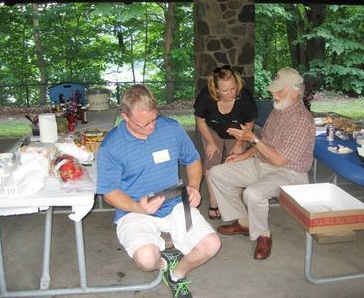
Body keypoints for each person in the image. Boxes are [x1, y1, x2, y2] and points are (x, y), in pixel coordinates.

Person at [96, 84, 221, 298]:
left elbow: (192, 160)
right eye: (143, 123)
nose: (151, 127)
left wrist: (193, 186)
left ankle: (176, 274)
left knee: (211, 245)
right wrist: (137, 206)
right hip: (134, 211)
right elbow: (109, 192)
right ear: (125, 117)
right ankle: (164, 263)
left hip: (174, 204)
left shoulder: (170, 128)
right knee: (146, 260)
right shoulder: (111, 146)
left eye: (154, 119)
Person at [208, 67, 315, 260]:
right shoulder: (279, 109)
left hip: (289, 173)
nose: (273, 92)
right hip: (263, 164)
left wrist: (252, 140)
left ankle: (263, 235)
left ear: (294, 91)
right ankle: (244, 221)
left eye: (278, 89)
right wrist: (245, 154)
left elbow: (280, 160)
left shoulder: (301, 120)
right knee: (217, 173)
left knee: (253, 193)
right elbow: (265, 141)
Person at [193, 65, 257, 220]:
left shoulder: (245, 98)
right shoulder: (206, 96)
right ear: (216, 89)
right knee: (213, 157)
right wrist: (210, 142)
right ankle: (214, 203)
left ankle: (236, 203)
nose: (231, 93)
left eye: (233, 89)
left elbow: (249, 124)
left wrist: (238, 145)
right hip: (213, 130)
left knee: (236, 161)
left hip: (237, 132)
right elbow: (200, 121)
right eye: (225, 90)